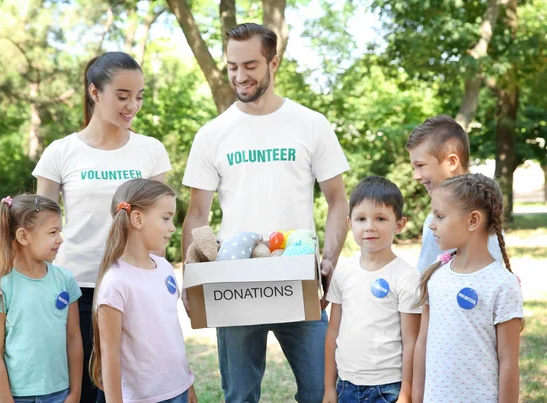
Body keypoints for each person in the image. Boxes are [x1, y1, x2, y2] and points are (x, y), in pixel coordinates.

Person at [0, 51, 172, 402]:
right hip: (75, 288)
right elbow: (33, 227)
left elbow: (159, 226)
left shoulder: (151, 151)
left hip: (132, 285)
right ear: (95, 93)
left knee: (132, 386)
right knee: (80, 387)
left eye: (139, 96)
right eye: (122, 97)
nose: (133, 106)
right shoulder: (61, 152)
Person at [181, 23, 350, 402]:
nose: (239, 76)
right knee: (240, 395)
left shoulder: (310, 124)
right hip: (234, 284)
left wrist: (329, 260)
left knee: (322, 390)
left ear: (273, 62)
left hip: (298, 276)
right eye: (232, 66)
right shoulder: (213, 134)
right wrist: (191, 277)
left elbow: (339, 200)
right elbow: (196, 215)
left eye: (250, 65)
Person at [412, 173, 523, 403]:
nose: (432, 224)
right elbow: (422, 342)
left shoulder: (502, 284)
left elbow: (508, 361)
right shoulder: (435, 276)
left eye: (440, 216)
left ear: (473, 220)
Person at [90, 178, 196, 403]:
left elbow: (172, 334)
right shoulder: (115, 283)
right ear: (137, 218)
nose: (172, 227)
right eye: (166, 218)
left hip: (179, 391)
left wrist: (188, 384)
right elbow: (110, 356)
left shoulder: (165, 268)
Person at [323, 176, 421, 403]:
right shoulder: (343, 272)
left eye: (380, 218)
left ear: (399, 224)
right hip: (346, 385)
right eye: (361, 219)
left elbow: (411, 342)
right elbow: (332, 334)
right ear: (350, 224)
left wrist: (406, 393)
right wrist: (329, 387)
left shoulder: (407, 277)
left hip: (388, 389)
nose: (370, 227)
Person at [0, 194, 82, 403]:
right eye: (52, 232)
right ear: (23, 236)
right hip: (16, 397)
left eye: (60, 231)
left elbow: (73, 339)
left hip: (60, 394)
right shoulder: (0, 286)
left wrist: (75, 394)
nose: (60, 239)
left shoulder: (65, 280)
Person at [406, 115, 503, 272]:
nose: (416, 176)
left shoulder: (477, 221)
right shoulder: (432, 221)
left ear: (451, 162)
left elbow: (488, 277)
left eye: (421, 165)